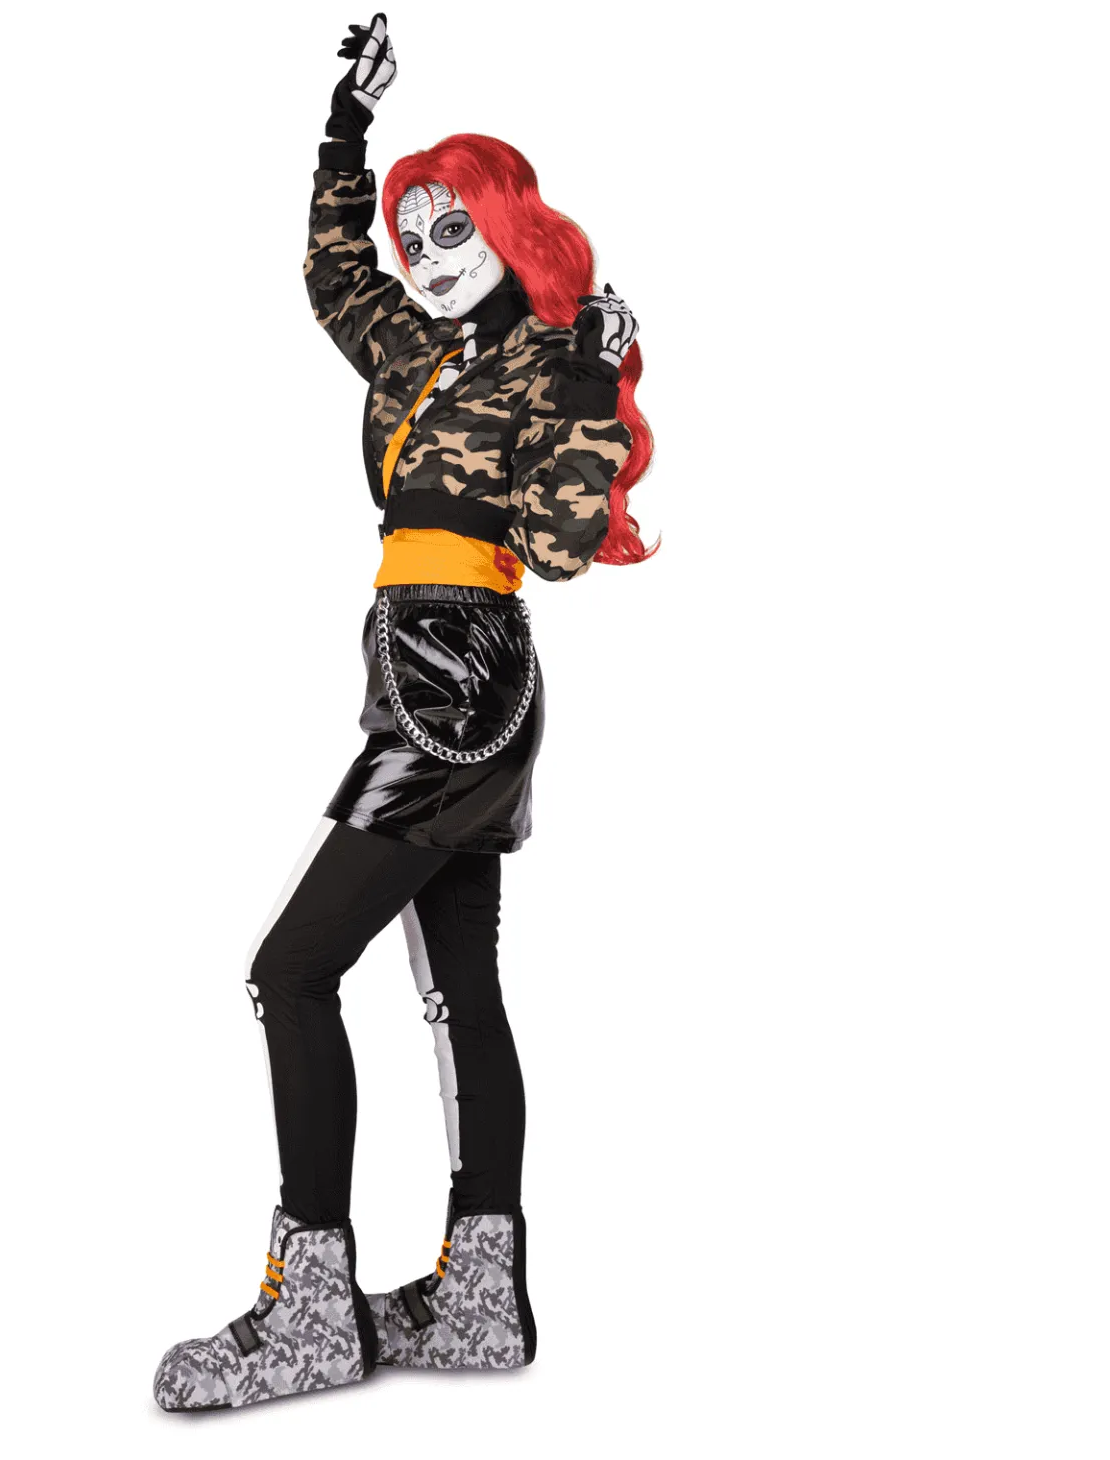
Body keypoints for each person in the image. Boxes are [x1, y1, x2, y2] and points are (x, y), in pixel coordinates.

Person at [154, 12, 653, 1412]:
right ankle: (481, 1298)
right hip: (425, 671)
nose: (428, 258)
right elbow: (332, 271)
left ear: (512, 232)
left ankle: (312, 1307)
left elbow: (556, 548)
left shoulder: (544, 365)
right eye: (415, 235)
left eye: (455, 231)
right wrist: (346, 130)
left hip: (463, 682)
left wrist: (592, 380)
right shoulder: (411, 348)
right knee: (459, 990)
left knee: (292, 969)